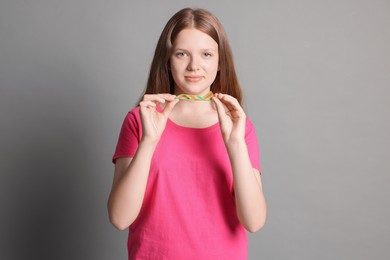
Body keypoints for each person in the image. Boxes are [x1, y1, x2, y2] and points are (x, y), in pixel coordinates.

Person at [108, 7, 267, 260]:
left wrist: (235, 143)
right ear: (167, 61)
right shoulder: (139, 121)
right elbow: (119, 218)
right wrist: (149, 141)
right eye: (182, 54)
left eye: (206, 54)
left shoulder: (240, 127)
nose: (194, 66)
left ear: (219, 63)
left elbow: (254, 222)